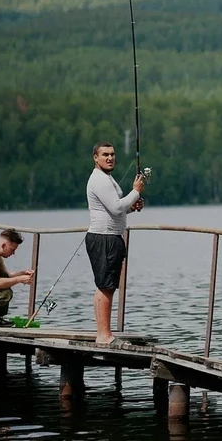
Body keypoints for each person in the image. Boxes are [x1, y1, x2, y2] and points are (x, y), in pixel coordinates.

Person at [86, 141, 145, 344]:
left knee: (105, 285)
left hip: (109, 237)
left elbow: (117, 209)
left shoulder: (107, 179)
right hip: (104, 238)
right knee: (106, 285)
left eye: (112, 154)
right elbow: (116, 207)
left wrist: (132, 205)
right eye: (105, 155)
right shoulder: (100, 180)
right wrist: (136, 191)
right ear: (96, 157)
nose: (110, 158)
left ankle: (103, 333)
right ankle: (104, 336)